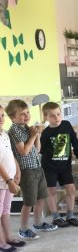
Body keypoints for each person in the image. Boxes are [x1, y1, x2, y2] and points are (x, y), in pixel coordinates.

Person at [5, 100, 57, 240]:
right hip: (26, 171)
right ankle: (23, 229)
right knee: (29, 202)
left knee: (41, 198)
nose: (27, 116)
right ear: (12, 117)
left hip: (37, 167)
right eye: (22, 114)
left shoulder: (27, 128)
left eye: (27, 112)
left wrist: (37, 135)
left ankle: (38, 224)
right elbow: (23, 152)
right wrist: (33, 136)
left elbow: (37, 149)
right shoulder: (14, 130)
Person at [40, 102, 78, 228]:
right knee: (51, 191)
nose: (56, 118)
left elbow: (74, 141)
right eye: (52, 115)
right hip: (50, 167)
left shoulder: (66, 125)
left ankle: (70, 216)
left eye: (58, 114)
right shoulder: (45, 133)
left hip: (65, 166)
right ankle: (56, 217)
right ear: (45, 117)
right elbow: (41, 150)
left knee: (71, 189)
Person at [0, 105, 26, 252]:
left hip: (9, 179)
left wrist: (17, 171)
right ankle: (1, 242)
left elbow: (10, 154)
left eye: (2, 115)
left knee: (6, 210)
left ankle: (8, 237)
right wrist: (9, 181)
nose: (1, 119)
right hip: (2, 181)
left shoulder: (4, 134)